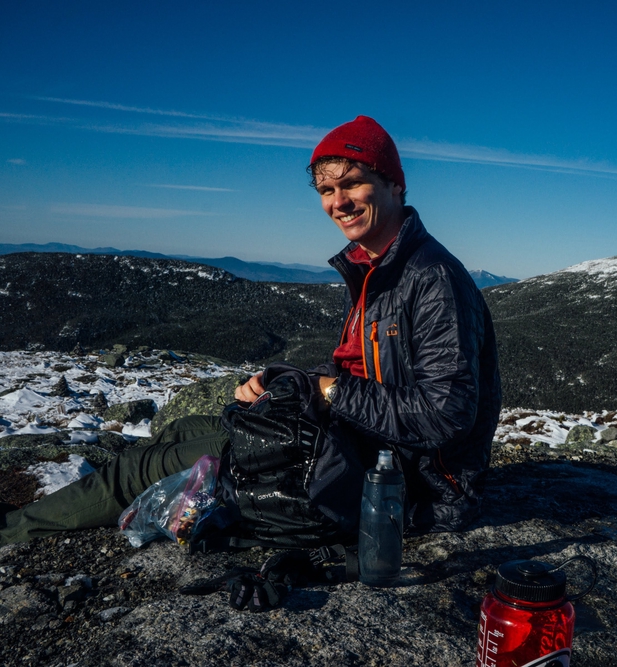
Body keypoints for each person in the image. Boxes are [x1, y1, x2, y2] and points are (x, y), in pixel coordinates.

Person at [0, 115, 502, 546]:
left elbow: (445, 412)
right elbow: (364, 370)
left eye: (352, 183)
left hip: (406, 485)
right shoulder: (380, 267)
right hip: (365, 445)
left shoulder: (429, 278)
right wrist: (290, 380)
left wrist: (327, 391)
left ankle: (11, 531)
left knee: (139, 468)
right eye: (327, 190)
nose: (338, 202)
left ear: (395, 184)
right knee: (184, 430)